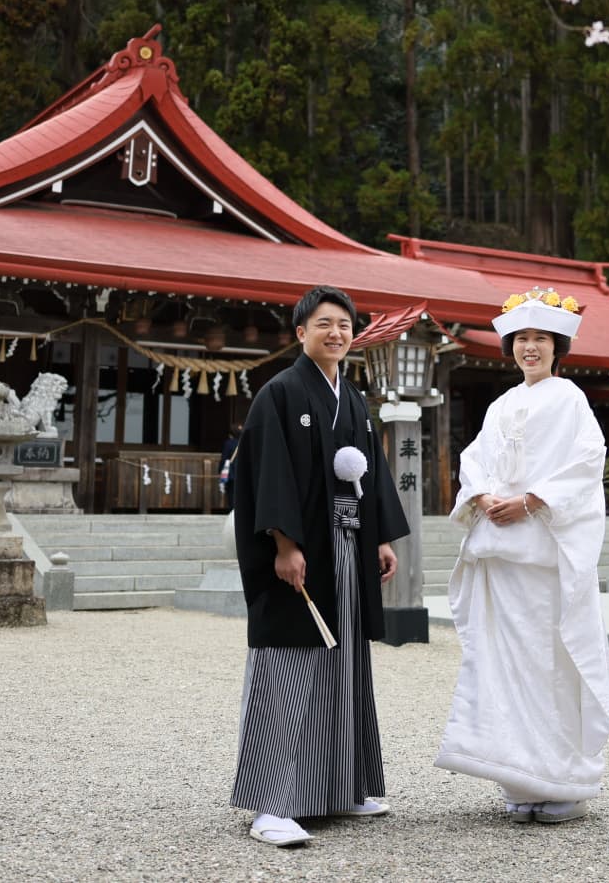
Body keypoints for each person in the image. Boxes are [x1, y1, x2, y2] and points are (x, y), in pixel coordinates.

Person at [228, 285, 410, 848]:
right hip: (301, 551)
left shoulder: (351, 398)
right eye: (324, 324)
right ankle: (271, 804)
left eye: (345, 325)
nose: (336, 333)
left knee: (346, 661)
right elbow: (268, 474)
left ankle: (341, 787)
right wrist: (284, 544)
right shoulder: (279, 394)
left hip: (348, 547)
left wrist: (380, 537)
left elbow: (371, 471)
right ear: (301, 332)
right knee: (290, 665)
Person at [435, 287, 609, 825]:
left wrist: (533, 500)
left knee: (549, 665)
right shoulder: (501, 405)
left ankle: (562, 779)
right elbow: (475, 460)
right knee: (504, 665)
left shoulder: (570, 399)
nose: (530, 347)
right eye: (521, 338)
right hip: (500, 552)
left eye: (541, 338)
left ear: (558, 346)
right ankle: (518, 776)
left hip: (544, 552)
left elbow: (587, 461)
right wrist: (482, 496)